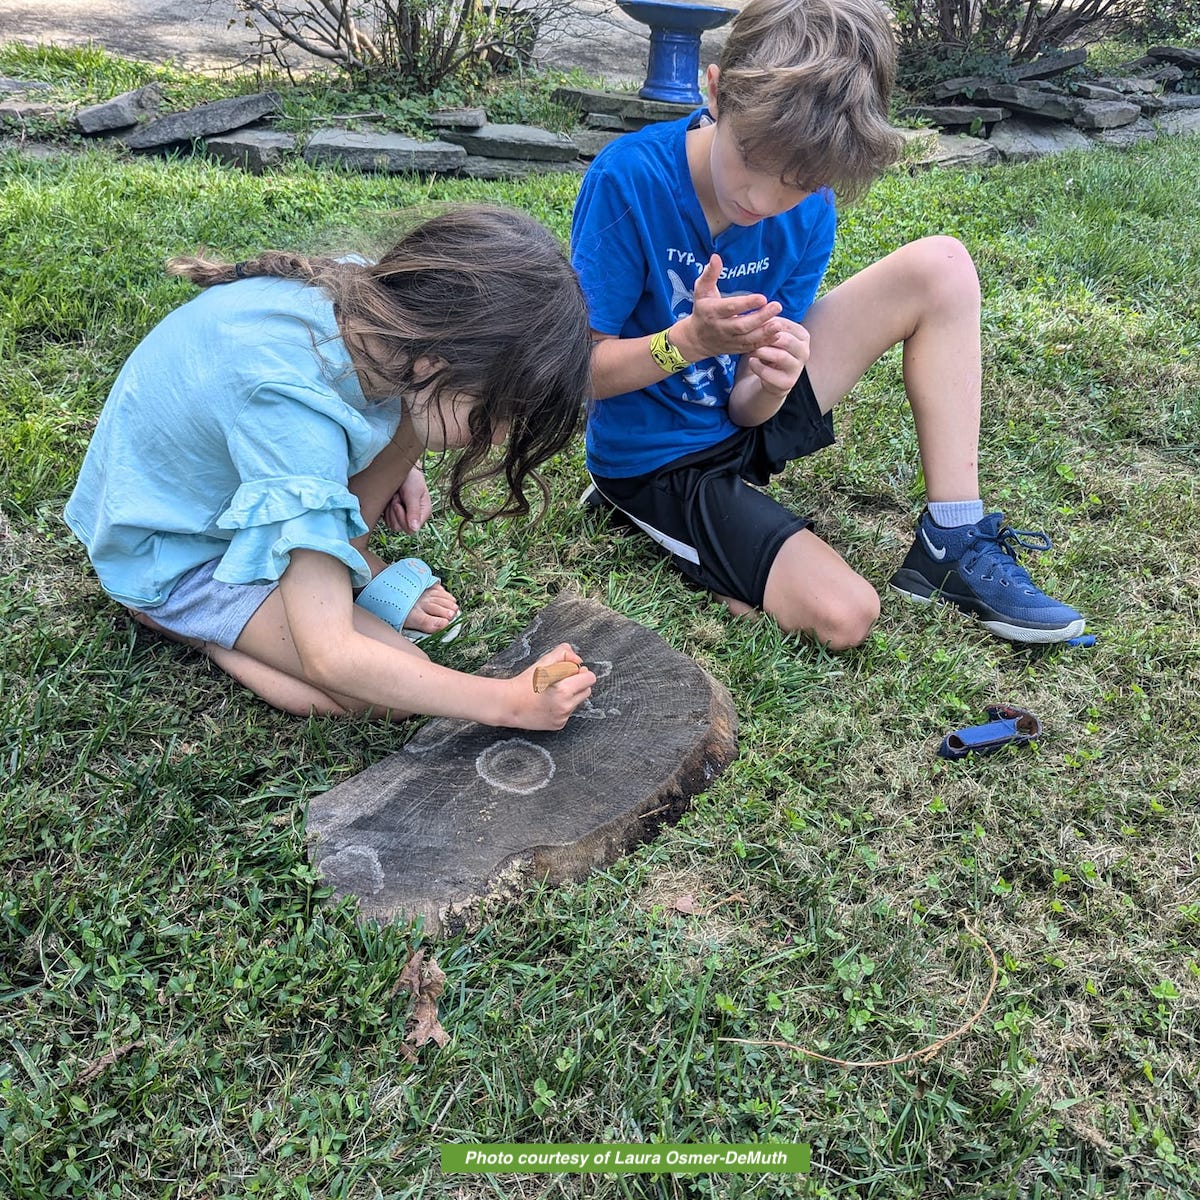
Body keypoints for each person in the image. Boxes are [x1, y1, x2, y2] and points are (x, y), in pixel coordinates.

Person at [570, 0, 1085, 649]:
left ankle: (952, 538)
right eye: (750, 157)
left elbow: (749, 411)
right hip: (654, 457)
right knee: (845, 615)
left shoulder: (810, 211)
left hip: (734, 420)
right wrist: (689, 342)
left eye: (797, 182)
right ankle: (630, 510)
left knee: (943, 267)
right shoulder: (630, 179)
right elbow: (578, 375)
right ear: (716, 91)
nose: (762, 200)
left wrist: (773, 381)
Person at [65, 205, 597, 728]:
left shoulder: (373, 307)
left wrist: (397, 460)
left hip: (206, 489)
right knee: (389, 689)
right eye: (497, 412)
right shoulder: (292, 417)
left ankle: (342, 555)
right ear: (435, 364)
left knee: (414, 413)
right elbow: (330, 657)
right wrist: (506, 701)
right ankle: (194, 625)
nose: (499, 437)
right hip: (173, 552)